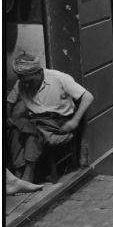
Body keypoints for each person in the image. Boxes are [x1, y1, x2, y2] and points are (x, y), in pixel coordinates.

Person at [6, 53, 94, 184]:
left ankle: (27, 176)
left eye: (30, 81)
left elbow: (88, 97)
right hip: (36, 121)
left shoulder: (58, 78)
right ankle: (20, 170)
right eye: (24, 82)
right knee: (14, 130)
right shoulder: (22, 83)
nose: (27, 86)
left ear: (39, 72)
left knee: (35, 133)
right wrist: (7, 117)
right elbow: (9, 102)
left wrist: (75, 120)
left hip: (59, 121)